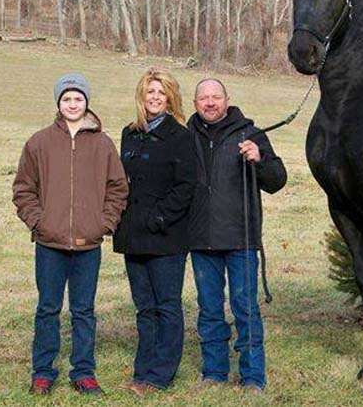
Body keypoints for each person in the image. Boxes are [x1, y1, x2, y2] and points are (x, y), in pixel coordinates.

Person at [11, 73, 128, 396]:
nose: (73, 104)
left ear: (86, 102)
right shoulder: (39, 142)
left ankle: (84, 371)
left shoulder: (103, 144)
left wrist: (103, 223)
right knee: (48, 308)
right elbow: (23, 189)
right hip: (50, 243)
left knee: (83, 310)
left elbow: (118, 188)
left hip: (88, 244)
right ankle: (43, 372)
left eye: (78, 99)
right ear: (58, 104)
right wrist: (39, 222)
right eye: (66, 99)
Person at [187, 78, 287, 392]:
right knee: (210, 309)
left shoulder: (250, 133)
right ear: (195, 103)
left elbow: (277, 180)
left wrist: (259, 159)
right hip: (201, 240)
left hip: (241, 239)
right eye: (204, 98)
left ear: (227, 100)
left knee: (245, 308)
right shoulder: (185, 136)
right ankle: (214, 372)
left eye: (216, 97)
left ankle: (253, 377)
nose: (210, 102)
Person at [112, 68, 196, 396]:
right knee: (144, 306)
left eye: (161, 93)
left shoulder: (181, 136)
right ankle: (142, 369)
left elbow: (186, 186)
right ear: (141, 97)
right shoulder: (129, 133)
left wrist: (160, 218)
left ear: (170, 97)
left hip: (166, 236)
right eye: (150, 93)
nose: (155, 98)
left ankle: (160, 374)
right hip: (133, 234)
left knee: (167, 305)